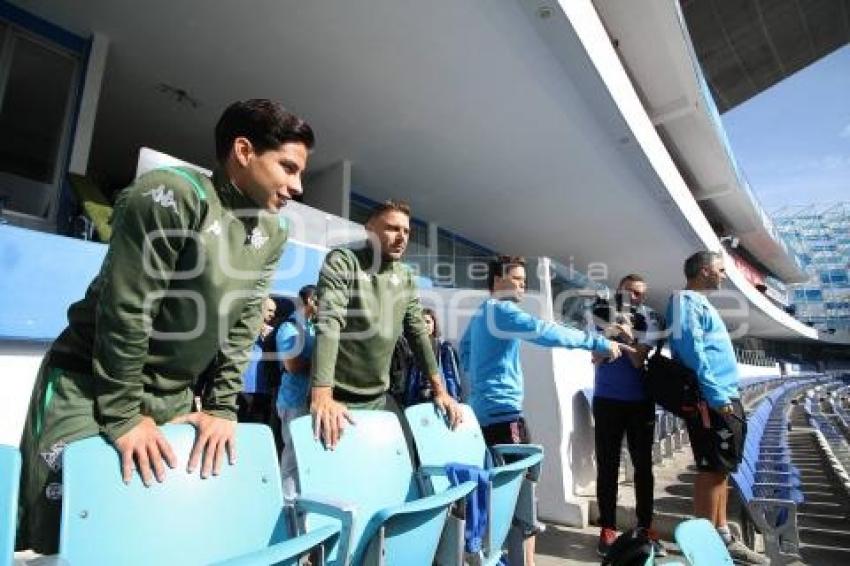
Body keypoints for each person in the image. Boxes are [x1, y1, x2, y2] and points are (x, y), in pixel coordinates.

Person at [16, 99, 314, 554]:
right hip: (92, 385)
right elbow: (128, 309)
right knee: (67, 538)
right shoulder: (172, 194)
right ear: (243, 150)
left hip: (172, 397)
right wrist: (123, 415)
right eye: (288, 168)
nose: (297, 186)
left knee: (149, 532)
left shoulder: (271, 233)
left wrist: (220, 407)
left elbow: (242, 323)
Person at [459, 255, 631, 565]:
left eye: (525, 281)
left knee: (500, 494)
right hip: (504, 416)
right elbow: (546, 332)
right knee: (523, 497)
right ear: (497, 281)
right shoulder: (503, 310)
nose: (523, 285)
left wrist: (482, 383)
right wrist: (600, 344)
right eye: (517, 279)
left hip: (484, 414)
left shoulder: (482, 313)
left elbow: (465, 352)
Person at [309, 200, 462, 448]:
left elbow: (418, 333)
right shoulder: (343, 261)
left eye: (406, 231)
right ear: (370, 229)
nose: (401, 237)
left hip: (378, 400)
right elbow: (329, 322)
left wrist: (440, 391)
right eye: (392, 228)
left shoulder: (406, 277)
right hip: (334, 399)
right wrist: (322, 394)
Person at [667, 251, 766, 565]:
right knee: (711, 469)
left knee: (721, 468)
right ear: (705, 270)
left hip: (723, 396)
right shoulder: (684, 300)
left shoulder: (701, 302)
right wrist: (716, 397)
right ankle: (704, 551)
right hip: (713, 400)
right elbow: (694, 353)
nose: (723, 275)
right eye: (720, 270)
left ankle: (721, 537)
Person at [591, 274, 665, 557]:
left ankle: (645, 527)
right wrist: (616, 335)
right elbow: (595, 357)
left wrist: (622, 335)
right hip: (607, 400)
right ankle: (607, 528)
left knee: (643, 467)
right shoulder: (601, 314)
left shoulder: (651, 318)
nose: (636, 298)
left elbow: (637, 359)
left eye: (640, 294)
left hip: (640, 403)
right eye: (631, 292)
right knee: (607, 465)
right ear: (619, 291)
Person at [276, 285, 318, 499]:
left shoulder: (311, 327)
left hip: (309, 402)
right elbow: (292, 365)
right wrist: (322, 363)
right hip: (294, 401)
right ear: (311, 300)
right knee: (293, 456)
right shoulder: (289, 328)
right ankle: (289, 502)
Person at [402, 307, 463, 406]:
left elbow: (451, 376)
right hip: (417, 399)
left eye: (428, 322)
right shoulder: (411, 348)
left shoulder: (444, 348)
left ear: (434, 324)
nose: (425, 325)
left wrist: (454, 399)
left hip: (439, 397)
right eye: (422, 322)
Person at [237, 296, 278, 424]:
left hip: (264, 391)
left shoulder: (273, 333)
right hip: (243, 389)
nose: (273, 314)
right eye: (269, 310)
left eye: (274, 311)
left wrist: (270, 338)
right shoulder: (244, 328)